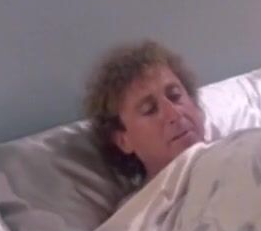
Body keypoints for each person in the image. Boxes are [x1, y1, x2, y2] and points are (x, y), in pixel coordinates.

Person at [84, 39, 207, 185]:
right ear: (123, 141)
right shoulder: (146, 200)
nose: (175, 114)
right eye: (150, 109)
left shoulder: (230, 150)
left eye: (175, 96)